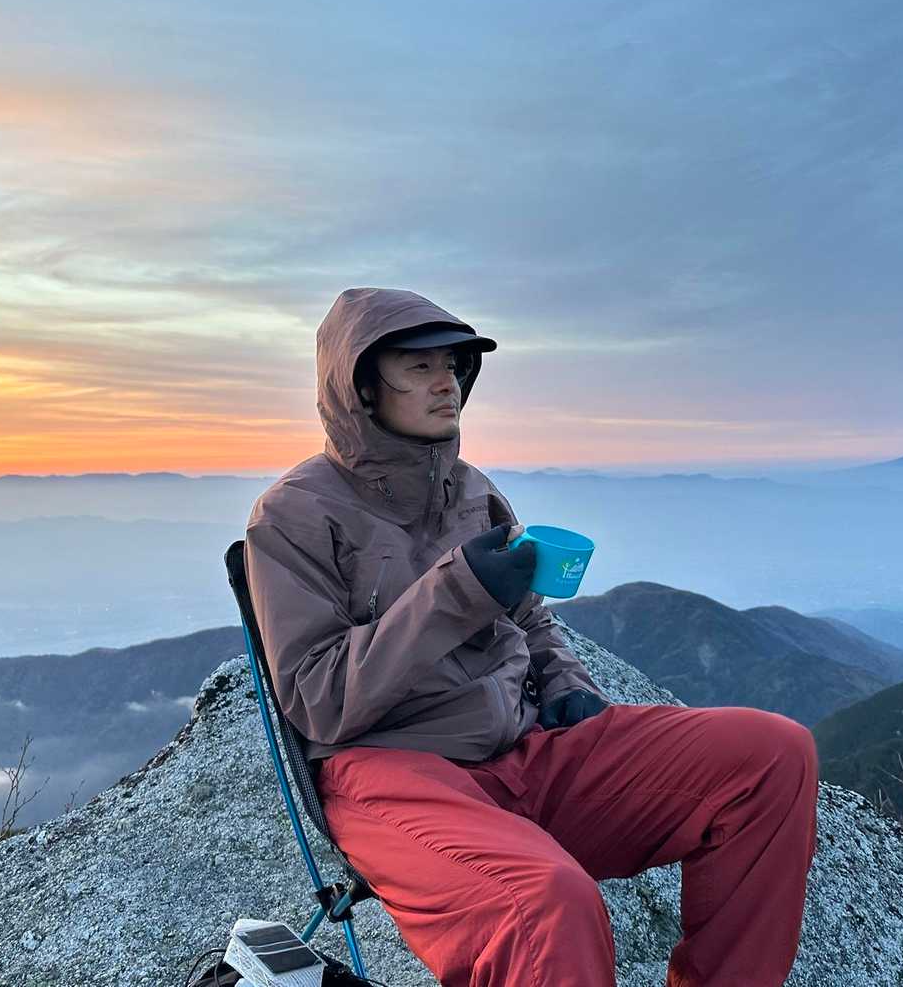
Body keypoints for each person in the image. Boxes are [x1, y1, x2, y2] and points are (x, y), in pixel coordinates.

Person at [244, 287, 819, 987]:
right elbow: (318, 702)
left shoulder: (471, 491)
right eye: (418, 367)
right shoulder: (294, 514)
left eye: (452, 365)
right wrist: (455, 592)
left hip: (520, 755)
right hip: (394, 773)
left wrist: (567, 682)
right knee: (545, 903)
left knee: (771, 754)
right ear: (362, 388)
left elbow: (529, 618)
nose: (445, 383)